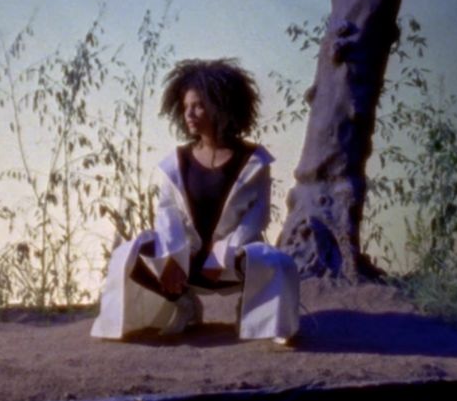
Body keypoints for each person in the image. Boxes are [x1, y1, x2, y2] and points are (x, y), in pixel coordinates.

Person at [90, 58, 300, 343]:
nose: (189, 113)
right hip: (186, 257)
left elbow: (256, 218)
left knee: (280, 264)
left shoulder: (254, 161)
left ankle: (253, 311)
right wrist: (171, 256)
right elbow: (166, 215)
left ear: (222, 106)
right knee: (129, 253)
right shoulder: (176, 162)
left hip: (232, 259)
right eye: (186, 107)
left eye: (198, 105)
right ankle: (182, 302)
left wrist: (222, 254)